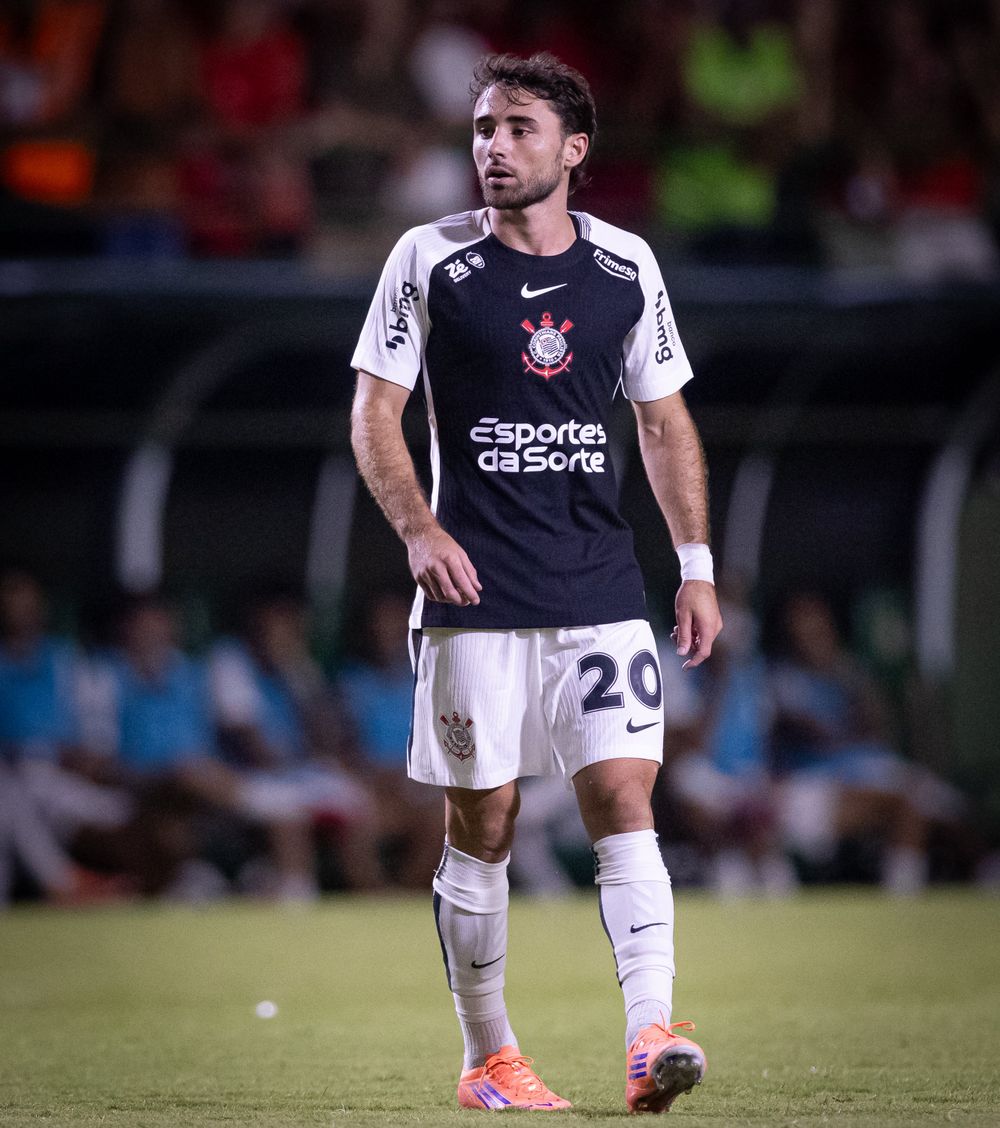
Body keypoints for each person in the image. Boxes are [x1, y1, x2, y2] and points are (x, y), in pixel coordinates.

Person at [350, 52, 722, 1114]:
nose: (492, 148)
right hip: (475, 595)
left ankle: (650, 1036)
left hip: (601, 585)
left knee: (623, 797)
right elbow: (376, 409)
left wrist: (692, 568)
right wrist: (416, 527)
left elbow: (661, 421)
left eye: (517, 128)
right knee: (488, 820)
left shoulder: (626, 269)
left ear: (573, 151)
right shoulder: (428, 258)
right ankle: (488, 1058)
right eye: (480, 128)